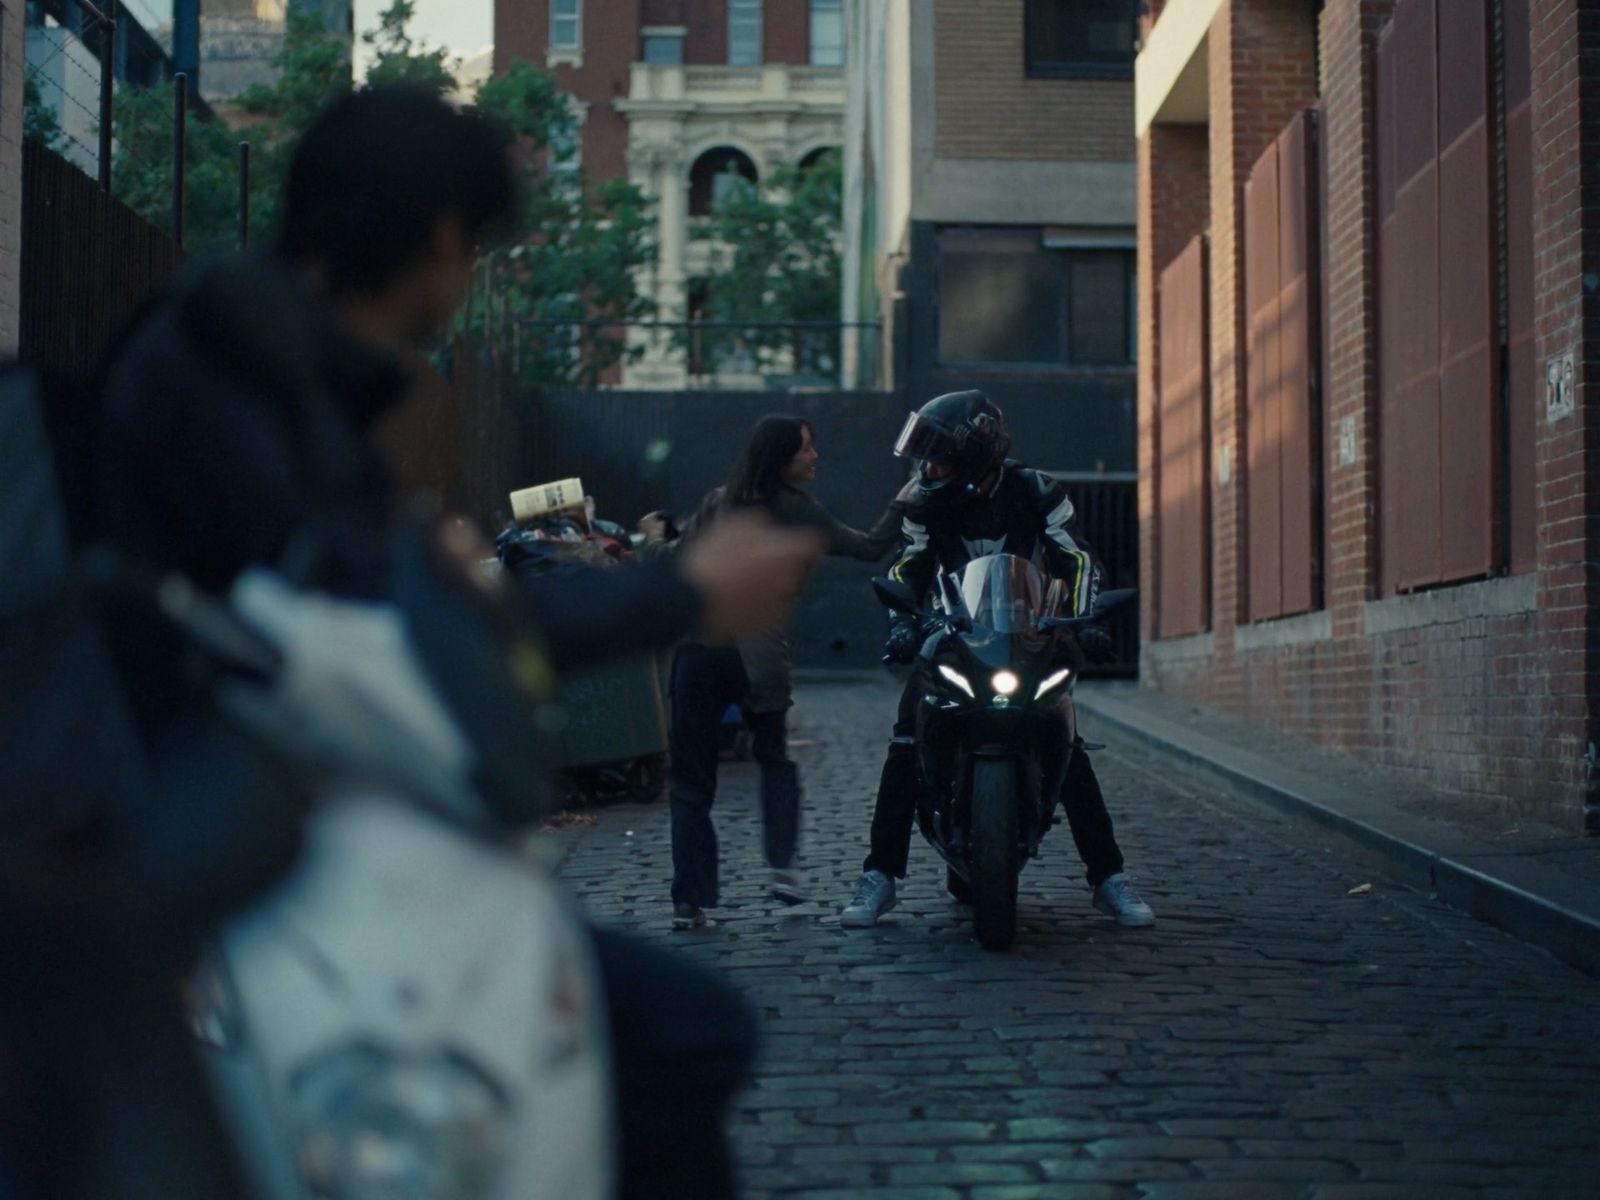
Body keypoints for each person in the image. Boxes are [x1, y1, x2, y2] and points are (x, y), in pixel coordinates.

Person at [91, 86, 821, 1200]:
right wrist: (679, 594)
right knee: (686, 1032)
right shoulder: (239, 378)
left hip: (289, 842)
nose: (469, 274)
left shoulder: (252, 362)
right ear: (440, 239)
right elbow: (382, 644)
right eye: (474, 248)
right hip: (242, 873)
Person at [838, 389, 1156, 930]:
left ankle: (1109, 878)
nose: (928, 466)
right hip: (951, 634)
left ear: (976, 455)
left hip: (1027, 630)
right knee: (906, 739)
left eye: (938, 456)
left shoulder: (1036, 490)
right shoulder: (924, 502)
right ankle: (880, 875)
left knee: (1066, 739)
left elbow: (1075, 556)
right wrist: (902, 622)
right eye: (925, 456)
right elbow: (907, 566)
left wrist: (1086, 619)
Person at [654, 416, 911, 928]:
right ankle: (783, 867)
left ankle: (690, 898)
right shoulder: (800, 511)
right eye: (807, 450)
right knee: (774, 760)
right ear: (782, 459)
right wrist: (905, 501)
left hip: (699, 653)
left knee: (691, 783)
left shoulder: (717, 502)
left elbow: (679, 567)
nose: (815, 458)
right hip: (757, 655)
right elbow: (870, 547)